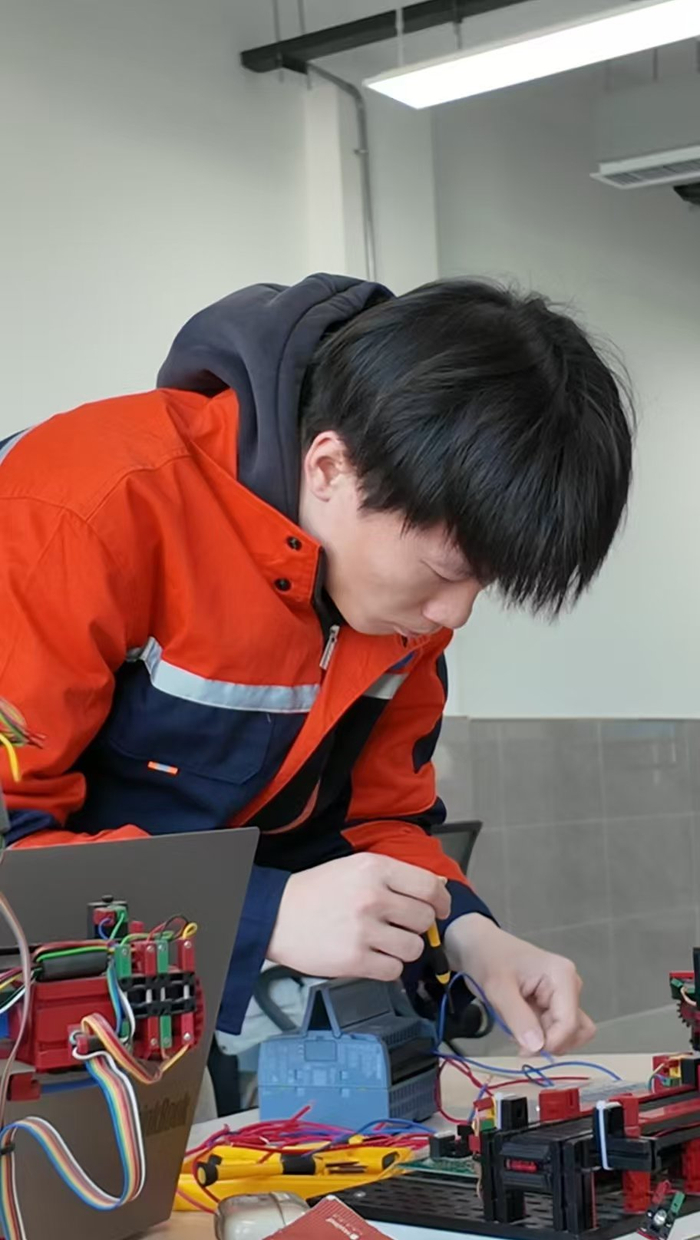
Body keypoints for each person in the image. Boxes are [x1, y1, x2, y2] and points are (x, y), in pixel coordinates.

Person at [0, 274, 633, 1055]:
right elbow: (11, 854)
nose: (455, 615)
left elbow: (378, 818)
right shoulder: (77, 514)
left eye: (484, 582)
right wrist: (258, 915)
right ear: (331, 468)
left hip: (139, 1004)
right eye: (446, 571)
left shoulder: (393, 604)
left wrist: (467, 933)